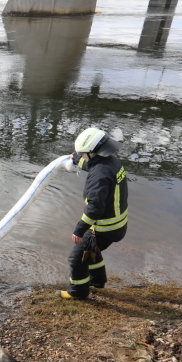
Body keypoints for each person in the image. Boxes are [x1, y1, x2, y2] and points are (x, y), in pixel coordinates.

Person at [59, 127, 128, 300]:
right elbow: (91, 164)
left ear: (92, 152)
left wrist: (79, 230)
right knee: (92, 249)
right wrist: (75, 158)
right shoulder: (111, 162)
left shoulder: (99, 175)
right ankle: (98, 281)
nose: (81, 156)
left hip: (105, 227)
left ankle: (78, 292)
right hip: (118, 225)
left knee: (77, 258)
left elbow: (94, 207)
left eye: (82, 154)